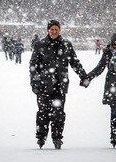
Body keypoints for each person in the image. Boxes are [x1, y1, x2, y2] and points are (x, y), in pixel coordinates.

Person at [29, 20, 87, 149]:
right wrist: (34, 82)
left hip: (60, 86)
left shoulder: (66, 45)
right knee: (43, 113)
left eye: (56, 29)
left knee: (58, 114)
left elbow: (75, 62)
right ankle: (41, 137)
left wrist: (83, 76)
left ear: (59, 30)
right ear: (48, 30)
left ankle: (57, 138)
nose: (54, 32)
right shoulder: (40, 45)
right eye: (51, 29)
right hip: (43, 86)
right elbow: (33, 65)